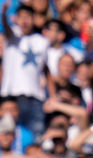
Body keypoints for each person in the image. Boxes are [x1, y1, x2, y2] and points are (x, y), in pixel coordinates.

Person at [1, 4, 55, 137]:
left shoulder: (42, 42)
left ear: (34, 18)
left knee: (36, 138)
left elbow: (47, 71)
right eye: (21, 17)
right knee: (10, 137)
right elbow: (6, 26)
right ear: (16, 19)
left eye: (28, 17)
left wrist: (53, 97)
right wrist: (3, 13)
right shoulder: (13, 37)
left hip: (36, 99)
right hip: (12, 98)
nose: (25, 21)